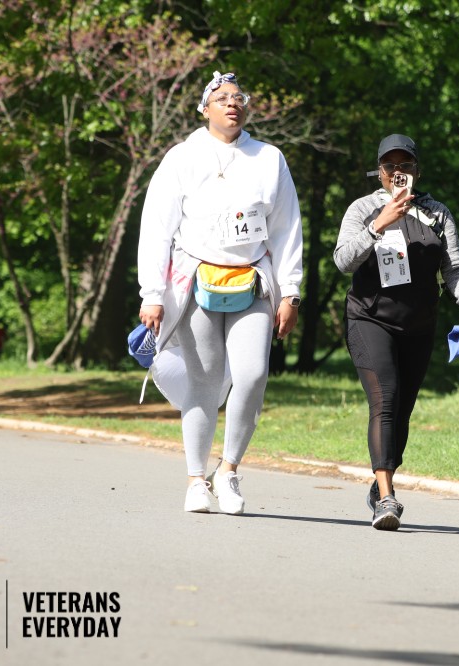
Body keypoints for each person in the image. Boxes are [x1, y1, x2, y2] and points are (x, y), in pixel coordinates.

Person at [137, 70, 303, 515]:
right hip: (196, 280)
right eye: (222, 97)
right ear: (205, 109)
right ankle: (195, 479)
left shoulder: (269, 157)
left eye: (239, 97)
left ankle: (227, 471)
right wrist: (152, 292)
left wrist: (291, 292)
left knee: (252, 375)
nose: (233, 103)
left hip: (253, 280)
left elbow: (287, 228)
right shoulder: (182, 157)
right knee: (205, 381)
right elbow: (156, 227)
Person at [334, 134, 459, 530]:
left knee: (401, 411)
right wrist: (379, 224)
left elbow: (455, 268)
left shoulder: (437, 213)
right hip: (370, 318)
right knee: (384, 400)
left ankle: (380, 480)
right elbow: (343, 261)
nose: (398, 172)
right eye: (390, 166)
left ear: (417, 170)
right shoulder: (363, 209)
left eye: (406, 165)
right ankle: (387, 499)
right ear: (379, 172)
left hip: (418, 323)